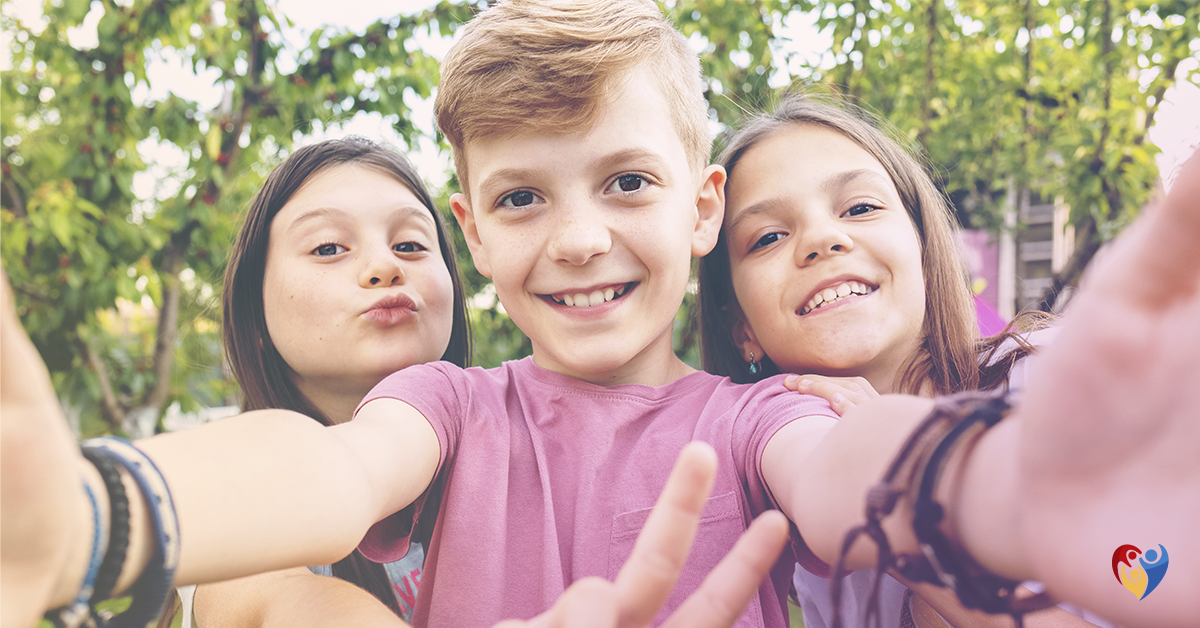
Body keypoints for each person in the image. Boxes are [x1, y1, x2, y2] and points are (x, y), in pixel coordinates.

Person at [3, 2, 1199, 628]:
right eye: (524, 197)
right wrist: (98, 517)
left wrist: (1018, 488)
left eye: (626, 181)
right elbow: (323, 471)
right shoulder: (449, 406)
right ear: (475, 231)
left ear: (697, 206)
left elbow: (852, 469)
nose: (578, 237)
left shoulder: (754, 414)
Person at [698, 94, 1110, 627]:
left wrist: (897, 511)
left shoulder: (1058, 386)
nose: (823, 239)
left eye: (860, 208)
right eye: (769, 237)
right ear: (743, 330)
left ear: (921, 242)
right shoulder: (811, 559)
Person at [171, 137, 471, 627]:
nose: (385, 267)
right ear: (255, 321)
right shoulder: (242, 503)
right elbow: (271, 601)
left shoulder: (523, 455)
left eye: (410, 245)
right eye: (328, 247)